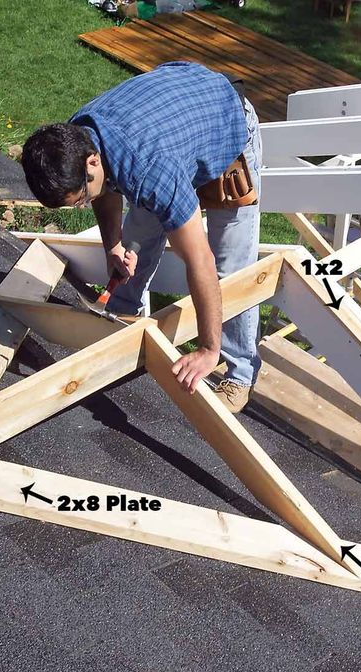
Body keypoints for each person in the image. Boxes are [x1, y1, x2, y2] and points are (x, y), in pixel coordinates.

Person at [21, 61, 262, 413]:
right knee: (137, 234)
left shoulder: (150, 170)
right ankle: (121, 324)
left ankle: (240, 372)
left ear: (92, 163)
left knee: (232, 267)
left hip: (227, 123)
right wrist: (113, 247)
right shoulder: (78, 134)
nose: (83, 206)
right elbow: (105, 193)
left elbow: (201, 260)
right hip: (177, 126)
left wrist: (206, 349)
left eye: (82, 200)